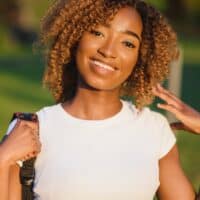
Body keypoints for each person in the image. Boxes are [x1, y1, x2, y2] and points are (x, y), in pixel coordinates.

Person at [0, 0, 196, 199]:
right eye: (97, 33)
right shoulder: (30, 130)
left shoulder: (154, 130)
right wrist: (2, 158)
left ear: (140, 57)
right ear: (76, 36)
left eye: (128, 43)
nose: (108, 51)